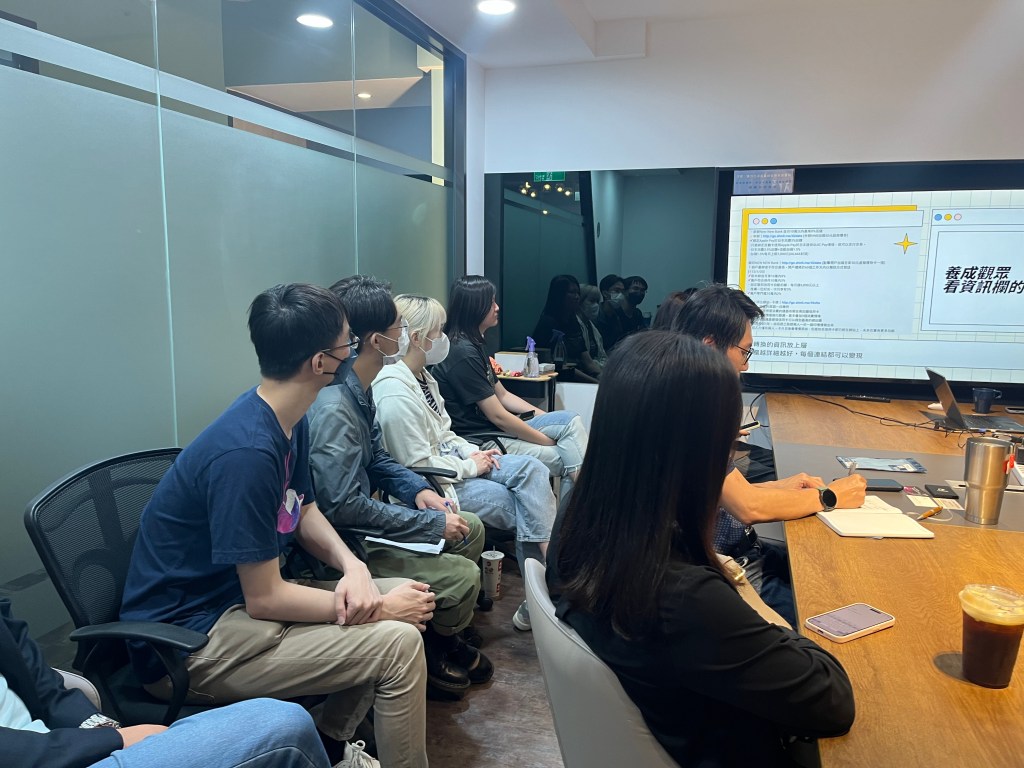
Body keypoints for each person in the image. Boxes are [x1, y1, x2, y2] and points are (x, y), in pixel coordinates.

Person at [120, 283, 432, 768]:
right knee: (397, 639)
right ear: (320, 363)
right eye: (348, 343)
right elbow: (265, 599)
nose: (354, 351)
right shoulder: (246, 452)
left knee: (402, 594)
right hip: (189, 644)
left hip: (236, 607)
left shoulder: (288, 417)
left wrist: (354, 569)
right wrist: (379, 609)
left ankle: (328, 748)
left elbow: (302, 509)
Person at [548, 331, 855, 767]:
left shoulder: (577, 519)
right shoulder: (683, 598)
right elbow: (834, 700)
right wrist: (748, 598)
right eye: (727, 442)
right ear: (698, 453)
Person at [307, 276, 492, 700]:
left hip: (356, 529)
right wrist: (429, 525)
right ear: (376, 340)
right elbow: (343, 507)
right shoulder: (335, 408)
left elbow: (377, 456)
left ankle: (441, 633)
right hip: (342, 549)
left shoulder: (358, 388)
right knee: (463, 572)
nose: (406, 334)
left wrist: (416, 491)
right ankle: (432, 647)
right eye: (400, 326)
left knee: (469, 526)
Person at [673, 283, 867, 624]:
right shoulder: (694, 411)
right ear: (710, 346)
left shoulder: (680, 393)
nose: (745, 366)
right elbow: (748, 508)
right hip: (725, 570)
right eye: (744, 352)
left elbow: (716, 493)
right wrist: (832, 496)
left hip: (733, 553)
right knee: (833, 609)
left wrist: (781, 486)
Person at [373, 293, 558, 633]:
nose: (444, 338)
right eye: (439, 331)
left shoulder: (424, 377)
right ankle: (549, 587)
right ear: (418, 338)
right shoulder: (393, 390)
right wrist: (472, 466)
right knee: (526, 506)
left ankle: (544, 591)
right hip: (437, 486)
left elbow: (446, 432)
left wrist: (475, 453)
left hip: (459, 465)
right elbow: (415, 463)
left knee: (535, 471)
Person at [1, 597, 344, 768]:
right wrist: (112, 739)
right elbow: (264, 595)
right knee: (283, 723)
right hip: (34, 755)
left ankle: (338, 745)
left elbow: (41, 684)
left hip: (58, 745)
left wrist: (99, 730)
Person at [431, 276, 589, 506]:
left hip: (493, 430)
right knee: (565, 454)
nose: (497, 307)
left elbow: (503, 395)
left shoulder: (474, 345)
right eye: (491, 303)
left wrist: (548, 420)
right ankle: (580, 512)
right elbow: (498, 416)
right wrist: (545, 440)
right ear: (474, 307)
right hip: (481, 439)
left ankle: (578, 513)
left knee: (569, 425)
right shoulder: (462, 352)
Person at [530, 275, 597, 383]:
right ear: (559, 295)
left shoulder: (573, 321)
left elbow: (587, 360)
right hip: (559, 380)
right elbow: (560, 367)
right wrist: (596, 382)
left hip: (580, 376)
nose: (577, 297)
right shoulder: (548, 323)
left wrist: (601, 376)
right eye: (572, 292)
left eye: (578, 293)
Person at [595, 274, 649, 349]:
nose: (639, 292)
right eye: (635, 288)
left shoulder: (637, 314)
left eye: (642, 290)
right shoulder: (601, 313)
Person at [575, 283, 608, 375]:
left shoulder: (592, 326)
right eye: (592, 301)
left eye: (597, 301)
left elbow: (602, 355)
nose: (596, 305)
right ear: (580, 302)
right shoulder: (574, 326)